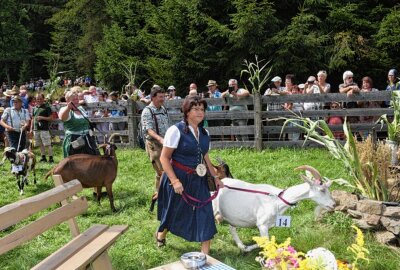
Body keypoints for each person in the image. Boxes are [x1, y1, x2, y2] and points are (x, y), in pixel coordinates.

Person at [156, 95, 224, 254]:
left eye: (202, 109)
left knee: (205, 211)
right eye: (196, 109)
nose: (200, 112)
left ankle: (204, 254)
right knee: (175, 211)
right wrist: (174, 181)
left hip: (198, 179)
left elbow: (205, 155)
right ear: (187, 111)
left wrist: (215, 177)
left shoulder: (205, 132)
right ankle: (162, 233)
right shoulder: (175, 130)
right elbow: (164, 158)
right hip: (178, 177)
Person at [141, 85, 170, 201]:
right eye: (160, 97)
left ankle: (161, 194)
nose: (162, 99)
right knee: (162, 171)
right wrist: (160, 139)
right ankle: (160, 196)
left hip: (166, 143)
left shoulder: (163, 110)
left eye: (163, 97)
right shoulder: (147, 111)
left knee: (166, 170)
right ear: (153, 97)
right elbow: (149, 130)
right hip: (154, 145)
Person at [58, 87, 99, 158]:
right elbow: (62, 118)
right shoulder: (64, 109)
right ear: (67, 100)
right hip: (74, 139)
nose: (76, 101)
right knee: (76, 160)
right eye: (73, 100)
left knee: (91, 158)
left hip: (87, 137)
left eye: (77, 99)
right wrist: (68, 108)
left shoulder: (80, 108)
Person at [30, 93, 54, 163]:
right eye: (37, 99)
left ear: (43, 99)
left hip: (44, 129)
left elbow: (51, 118)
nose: (39, 100)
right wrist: (31, 128)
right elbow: (32, 119)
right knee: (40, 144)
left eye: (40, 99)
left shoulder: (47, 107)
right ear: (35, 99)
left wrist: (42, 117)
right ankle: (43, 157)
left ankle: (51, 158)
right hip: (36, 129)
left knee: (47, 144)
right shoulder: (34, 108)